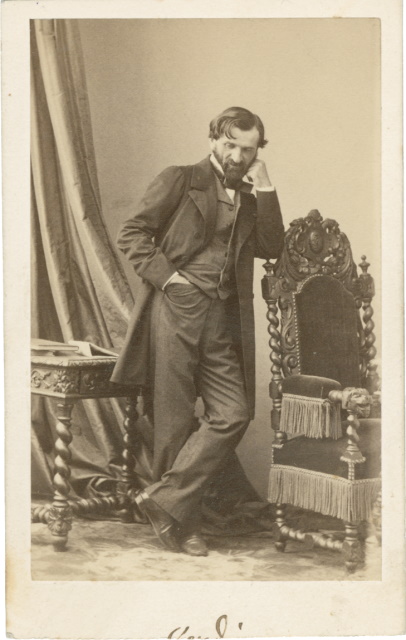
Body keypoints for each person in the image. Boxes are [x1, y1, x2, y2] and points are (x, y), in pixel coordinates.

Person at [111, 106, 284, 556]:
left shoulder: (249, 195)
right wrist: (170, 280)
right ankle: (182, 526)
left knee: (234, 413)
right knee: (172, 421)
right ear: (213, 140)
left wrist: (266, 187)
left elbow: (271, 246)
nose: (238, 156)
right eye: (230, 144)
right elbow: (132, 233)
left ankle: (163, 500)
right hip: (176, 312)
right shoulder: (180, 179)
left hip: (221, 319)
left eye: (248, 149)